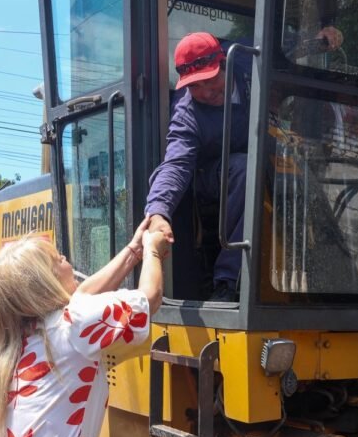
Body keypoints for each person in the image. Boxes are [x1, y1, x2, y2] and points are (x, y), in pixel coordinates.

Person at [0, 217, 168, 437]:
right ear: (46, 281)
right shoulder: (76, 324)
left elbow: (82, 295)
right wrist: (153, 251)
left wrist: (132, 251)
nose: (68, 262)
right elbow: (150, 298)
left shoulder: (19, 336)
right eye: (60, 259)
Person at [146, 30, 341, 302]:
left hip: (254, 160)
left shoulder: (244, 59)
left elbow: (281, 44)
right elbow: (176, 164)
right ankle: (228, 281)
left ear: (224, 63)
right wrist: (158, 210)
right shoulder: (187, 112)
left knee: (300, 171)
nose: (205, 92)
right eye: (195, 86)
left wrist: (320, 39)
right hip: (211, 177)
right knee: (245, 167)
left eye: (210, 80)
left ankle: (332, 277)